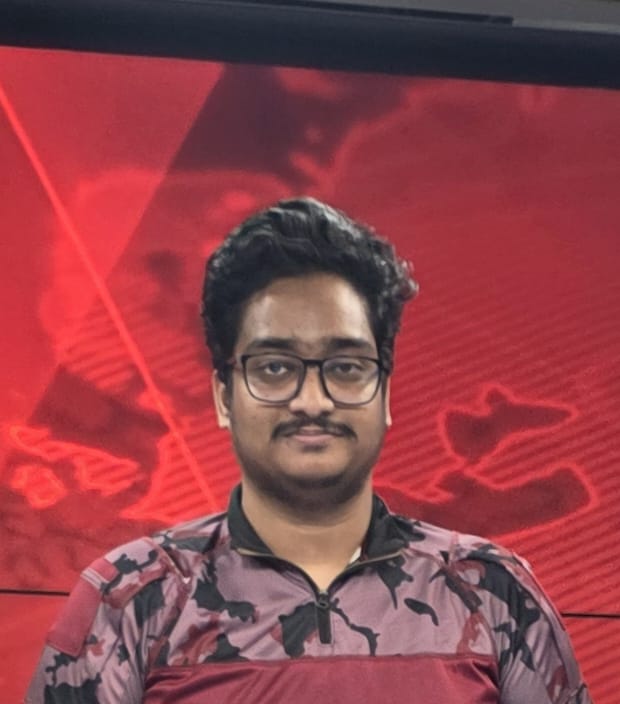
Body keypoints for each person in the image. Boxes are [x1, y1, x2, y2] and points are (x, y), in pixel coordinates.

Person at [26, 197, 591, 703]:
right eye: (275, 368)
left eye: (345, 367)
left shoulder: (491, 589)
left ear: (384, 393)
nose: (313, 400)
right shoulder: (130, 596)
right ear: (224, 397)